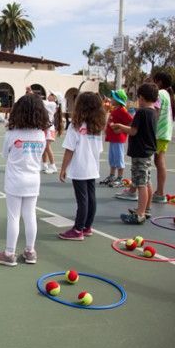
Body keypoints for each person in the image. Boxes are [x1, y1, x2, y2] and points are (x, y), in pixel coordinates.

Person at [0, 93, 48, 266]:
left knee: (14, 217)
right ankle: (30, 251)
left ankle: (9, 253)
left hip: (15, 180)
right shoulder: (41, 135)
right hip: (33, 179)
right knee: (30, 215)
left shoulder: (11, 134)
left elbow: (5, 155)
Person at [58, 92, 106, 240]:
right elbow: (99, 149)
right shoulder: (97, 126)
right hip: (92, 167)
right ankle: (87, 227)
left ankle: (78, 229)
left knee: (82, 200)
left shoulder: (75, 126)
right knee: (91, 198)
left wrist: (63, 168)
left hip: (80, 167)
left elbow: (69, 149)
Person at [111, 83, 159, 224]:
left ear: (142, 98)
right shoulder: (154, 112)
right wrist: (123, 129)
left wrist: (120, 126)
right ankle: (146, 209)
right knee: (147, 181)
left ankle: (139, 214)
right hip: (148, 152)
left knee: (140, 184)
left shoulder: (141, 112)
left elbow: (133, 130)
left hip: (139, 152)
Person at [151, 72, 175, 204]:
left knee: (157, 162)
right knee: (158, 161)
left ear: (159, 82)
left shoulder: (159, 94)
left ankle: (160, 193)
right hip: (163, 133)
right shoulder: (166, 94)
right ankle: (159, 192)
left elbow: (155, 112)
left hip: (159, 133)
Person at [99, 89, 132, 187]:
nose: (112, 99)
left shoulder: (122, 111)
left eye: (114, 97)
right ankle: (112, 175)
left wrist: (122, 130)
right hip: (113, 138)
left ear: (118, 100)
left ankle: (120, 178)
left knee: (119, 158)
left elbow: (131, 122)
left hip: (118, 139)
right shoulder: (115, 109)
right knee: (112, 158)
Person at [42, 93, 62, 174]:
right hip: (46, 128)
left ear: (55, 98)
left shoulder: (52, 104)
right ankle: (44, 164)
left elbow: (40, 101)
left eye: (51, 94)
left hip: (49, 129)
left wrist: (31, 92)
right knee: (44, 147)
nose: (49, 95)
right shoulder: (49, 104)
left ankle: (53, 166)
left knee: (47, 147)